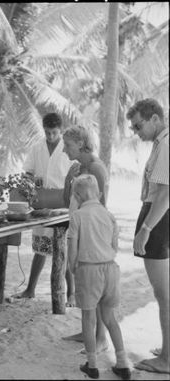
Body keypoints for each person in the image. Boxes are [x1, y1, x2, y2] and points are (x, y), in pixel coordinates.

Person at [67, 174, 131, 380]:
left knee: (88, 318)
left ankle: (92, 364)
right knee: (110, 318)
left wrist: (73, 267)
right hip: (111, 269)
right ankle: (122, 363)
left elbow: (72, 246)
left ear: (77, 195)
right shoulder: (109, 215)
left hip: (89, 270)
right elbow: (114, 246)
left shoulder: (77, 216)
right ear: (99, 194)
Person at [10, 113, 73, 302]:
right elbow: (27, 172)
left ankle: (71, 292)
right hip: (41, 200)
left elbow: (74, 174)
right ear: (43, 129)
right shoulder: (37, 147)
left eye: (54, 132)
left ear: (60, 130)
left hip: (62, 202)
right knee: (40, 247)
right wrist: (30, 180)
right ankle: (30, 289)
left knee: (63, 248)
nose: (51, 136)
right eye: (47, 132)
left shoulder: (67, 148)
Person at [126, 99, 169, 375]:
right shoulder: (161, 142)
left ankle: (167, 359)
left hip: (158, 218)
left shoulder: (165, 144)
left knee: (163, 293)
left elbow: (166, 193)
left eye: (138, 125)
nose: (136, 131)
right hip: (159, 217)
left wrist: (145, 229)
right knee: (165, 291)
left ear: (155, 119)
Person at [61, 125, 109, 354]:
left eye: (67, 145)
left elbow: (102, 208)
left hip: (92, 236)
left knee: (96, 289)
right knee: (84, 287)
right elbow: (66, 201)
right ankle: (86, 332)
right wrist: (67, 179)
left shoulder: (97, 168)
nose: (63, 149)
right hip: (78, 232)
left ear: (80, 144)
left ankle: (101, 338)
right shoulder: (79, 169)